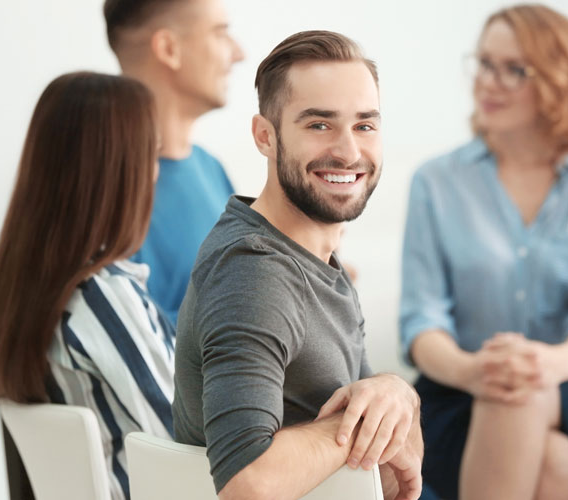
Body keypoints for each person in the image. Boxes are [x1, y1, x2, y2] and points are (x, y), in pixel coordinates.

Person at [172, 31, 423, 500]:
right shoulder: (254, 270)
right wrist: (368, 417)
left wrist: (397, 392)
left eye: (365, 126)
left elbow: (394, 464)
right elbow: (247, 482)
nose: (349, 152)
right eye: (319, 125)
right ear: (265, 137)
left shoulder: (318, 261)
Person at [400, 4, 568, 500]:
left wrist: (547, 363)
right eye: (483, 63)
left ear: (560, 81)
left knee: (523, 387)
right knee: (559, 463)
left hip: (560, 387)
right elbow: (422, 321)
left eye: (513, 69)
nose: (488, 82)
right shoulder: (436, 182)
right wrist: (474, 370)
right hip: (452, 392)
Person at [0, 72, 175, 500]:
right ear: (118, 171)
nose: (156, 174)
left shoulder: (18, 291)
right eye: (152, 155)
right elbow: (190, 442)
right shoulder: (101, 296)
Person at [103, 0, 244, 324]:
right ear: (169, 49)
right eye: (221, 33)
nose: (238, 53)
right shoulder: (104, 188)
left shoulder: (211, 169)